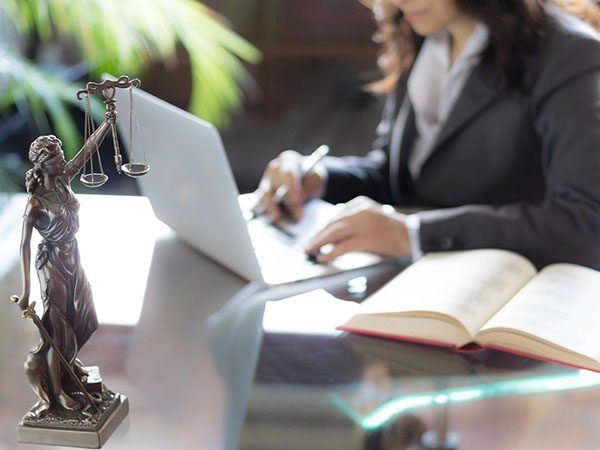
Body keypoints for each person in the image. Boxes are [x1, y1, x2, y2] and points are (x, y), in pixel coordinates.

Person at [253, 0, 600, 270]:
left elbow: (585, 223)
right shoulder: (426, 32)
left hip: (504, 306)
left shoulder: (569, 55)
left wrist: (414, 233)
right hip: (418, 281)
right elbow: (397, 176)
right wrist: (320, 177)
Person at [15, 127, 113, 415]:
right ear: (43, 165)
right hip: (52, 262)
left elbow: (86, 151)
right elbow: (23, 245)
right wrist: (25, 290)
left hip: (73, 256)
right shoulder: (36, 201)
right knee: (58, 332)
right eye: (57, 159)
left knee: (87, 319)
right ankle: (57, 393)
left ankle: (67, 364)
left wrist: (107, 122)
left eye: (61, 157)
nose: (63, 161)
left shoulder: (64, 179)